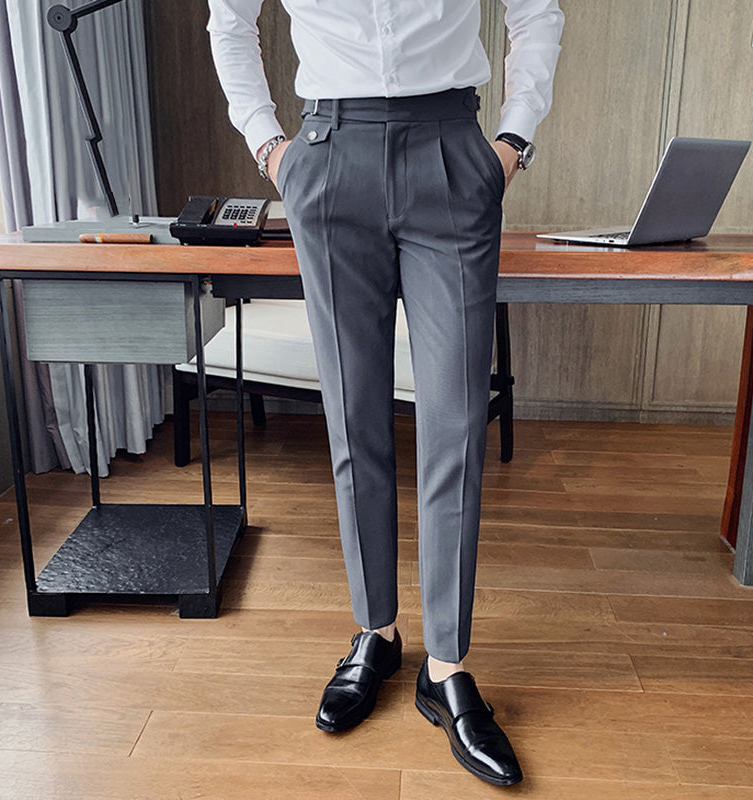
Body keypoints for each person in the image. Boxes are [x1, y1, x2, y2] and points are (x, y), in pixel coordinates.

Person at [207, 0, 563, 785]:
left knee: (458, 426)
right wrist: (271, 146)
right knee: (354, 421)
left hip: (452, 152)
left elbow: (537, 12)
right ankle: (377, 631)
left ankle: (447, 668)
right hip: (330, 157)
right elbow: (229, 18)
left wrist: (511, 141)